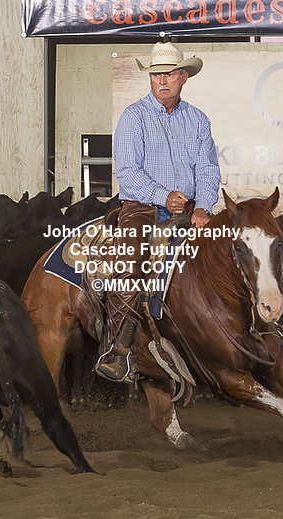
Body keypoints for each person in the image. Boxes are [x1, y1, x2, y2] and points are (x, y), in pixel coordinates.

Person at [94, 41, 221, 382]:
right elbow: (128, 173)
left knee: (225, 254)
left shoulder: (198, 120)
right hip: (142, 207)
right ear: (150, 79)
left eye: (170, 74)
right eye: (156, 75)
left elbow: (208, 169)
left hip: (190, 210)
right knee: (131, 260)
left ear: (183, 77)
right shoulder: (134, 117)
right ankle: (118, 348)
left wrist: (203, 206)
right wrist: (164, 197)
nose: (162, 81)